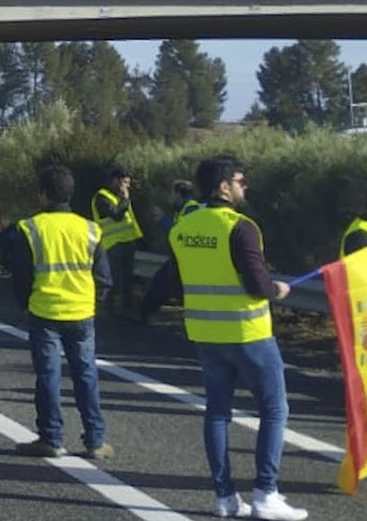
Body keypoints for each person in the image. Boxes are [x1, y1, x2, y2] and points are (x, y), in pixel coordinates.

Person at [142, 156, 308, 521]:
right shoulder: (242, 227)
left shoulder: (182, 228)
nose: (244, 186)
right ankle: (266, 493)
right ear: (223, 187)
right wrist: (278, 289)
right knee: (275, 409)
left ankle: (225, 496)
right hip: (248, 332)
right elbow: (258, 285)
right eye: (240, 180)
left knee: (217, 413)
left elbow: (174, 280)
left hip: (204, 332)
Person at [0, 165, 112, 459]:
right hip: (82, 312)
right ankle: (96, 441)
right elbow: (103, 277)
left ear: (44, 195)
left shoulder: (31, 228)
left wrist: (24, 303)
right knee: (86, 375)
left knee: (48, 376)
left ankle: (51, 438)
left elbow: (21, 275)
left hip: (45, 311)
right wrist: (93, 301)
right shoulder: (90, 229)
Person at [91, 168, 142, 316]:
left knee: (127, 282)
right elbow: (116, 216)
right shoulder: (102, 197)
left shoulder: (121, 198)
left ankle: (127, 312)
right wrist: (125, 199)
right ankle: (108, 314)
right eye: (124, 182)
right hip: (112, 245)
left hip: (127, 243)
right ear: (115, 180)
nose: (127, 187)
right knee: (112, 282)